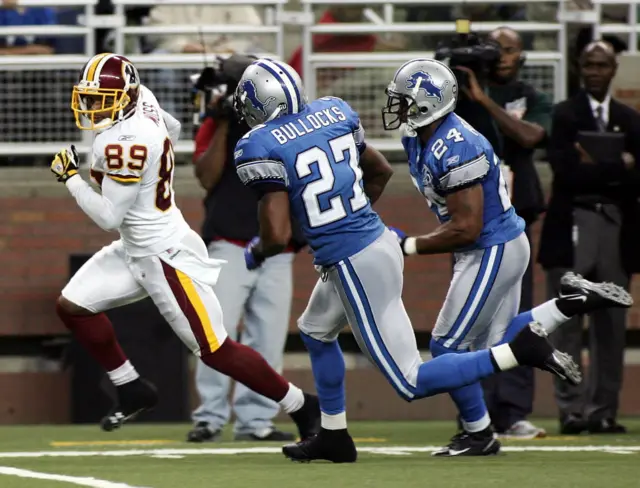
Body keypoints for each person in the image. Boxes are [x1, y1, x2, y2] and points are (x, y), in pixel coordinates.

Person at [232, 57, 584, 464]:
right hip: (377, 239)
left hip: (353, 261)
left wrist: (258, 250)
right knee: (315, 330)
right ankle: (333, 435)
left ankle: (519, 351)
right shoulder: (333, 110)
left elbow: (275, 235)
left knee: (410, 380)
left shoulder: (258, 144)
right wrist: (350, 219)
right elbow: (379, 173)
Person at [49, 52, 319, 441]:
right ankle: (130, 386)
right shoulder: (144, 103)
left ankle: (300, 405)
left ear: (125, 97)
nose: (93, 106)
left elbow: (108, 216)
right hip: (135, 248)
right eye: (89, 97)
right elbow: (171, 128)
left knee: (215, 350)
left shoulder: (122, 142)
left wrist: (72, 178)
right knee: (72, 306)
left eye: (102, 98)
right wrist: (154, 166)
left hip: (164, 255)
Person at [380, 58, 632, 455]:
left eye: (405, 100)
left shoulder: (457, 144)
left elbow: (468, 227)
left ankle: (478, 432)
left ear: (429, 102)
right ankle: (571, 303)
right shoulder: (420, 137)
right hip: (494, 245)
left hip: (489, 247)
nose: (397, 108)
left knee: (448, 349)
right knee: (495, 341)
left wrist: (407, 245)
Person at [188, 56, 306, 443]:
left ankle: (256, 421)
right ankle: (209, 415)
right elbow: (206, 177)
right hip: (230, 244)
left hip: (276, 248)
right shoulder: (217, 120)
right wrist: (222, 121)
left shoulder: (287, 122)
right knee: (216, 335)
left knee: (268, 339)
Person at [539, 40, 640, 434]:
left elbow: (638, 177)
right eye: (588, 66)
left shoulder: (630, 119)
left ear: (614, 69)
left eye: (602, 65)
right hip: (573, 224)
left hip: (617, 227)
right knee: (566, 321)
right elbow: (565, 172)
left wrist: (597, 164)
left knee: (612, 325)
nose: (595, 72)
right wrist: (618, 165)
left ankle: (603, 412)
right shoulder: (564, 115)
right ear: (580, 69)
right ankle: (571, 410)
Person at [458, 26, 552, 439]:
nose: (500, 56)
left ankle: (512, 411)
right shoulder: (459, 93)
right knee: (469, 317)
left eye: (509, 49)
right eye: (493, 49)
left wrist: (485, 103)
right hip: (469, 220)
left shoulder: (532, 97)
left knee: (514, 317)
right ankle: (474, 410)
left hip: (515, 219)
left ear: (522, 55)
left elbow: (531, 136)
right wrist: (468, 92)